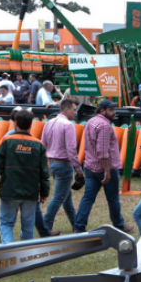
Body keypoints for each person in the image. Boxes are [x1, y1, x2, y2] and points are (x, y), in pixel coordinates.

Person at [0, 110, 50, 243]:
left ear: (15, 123)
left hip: (9, 191)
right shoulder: (38, 145)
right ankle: (26, 258)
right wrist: (44, 192)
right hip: (30, 193)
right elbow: (45, 172)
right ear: (30, 125)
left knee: (6, 224)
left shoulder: (6, 141)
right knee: (28, 228)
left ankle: (9, 253)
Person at [74, 99, 135, 234]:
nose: (114, 113)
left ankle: (79, 226)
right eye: (111, 110)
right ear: (102, 110)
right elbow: (102, 151)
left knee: (88, 198)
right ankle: (119, 225)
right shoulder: (104, 126)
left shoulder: (90, 122)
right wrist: (107, 170)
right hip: (105, 168)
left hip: (90, 166)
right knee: (113, 199)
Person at [41, 97, 83, 235]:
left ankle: (76, 224)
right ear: (66, 109)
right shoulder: (68, 125)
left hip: (52, 162)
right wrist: (79, 170)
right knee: (59, 197)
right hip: (64, 164)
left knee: (66, 196)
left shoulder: (49, 122)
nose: (75, 113)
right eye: (74, 110)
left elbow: (43, 144)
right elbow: (71, 150)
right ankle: (45, 227)